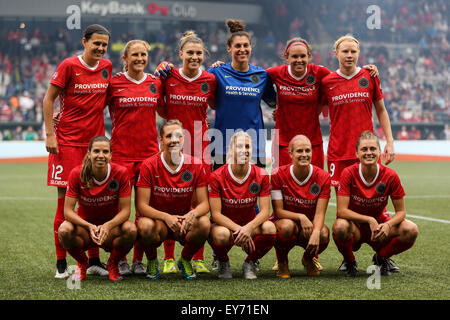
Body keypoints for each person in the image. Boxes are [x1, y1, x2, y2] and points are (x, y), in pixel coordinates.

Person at [320, 35, 396, 272]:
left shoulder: (369, 76)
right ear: (336, 54)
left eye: (353, 51)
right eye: (345, 51)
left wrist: (390, 141)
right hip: (338, 154)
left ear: (359, 53)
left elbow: (381, 110)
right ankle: (348, 258)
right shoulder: (327, 81)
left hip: (367, 153)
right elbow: (314, 108)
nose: (349, 55)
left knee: (374, 203)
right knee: (345, 211)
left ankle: (382, 256)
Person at [43, 24, 112, 278]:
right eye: (96, 43)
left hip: (93, 146)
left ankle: (93, 259)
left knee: (91, 205)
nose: (101, 48)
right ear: (84, 41)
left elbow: (104, 101)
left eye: (104, 44)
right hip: (67, 144)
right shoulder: (68, 65)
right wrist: (51, 133)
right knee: (64, 206)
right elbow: (48, 98)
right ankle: (61, 264)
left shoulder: (106, 68)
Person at [267, 37, 379, 170]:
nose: (299, 60)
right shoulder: (276, 73)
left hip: (312, 141)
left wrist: (364, 70)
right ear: (286, 57)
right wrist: (273, 104)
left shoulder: (320, 73)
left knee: (315, 186)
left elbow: (342, 80)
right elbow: (257, 82)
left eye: (303, 56)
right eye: (294, 56)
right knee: (279, 186)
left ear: (309, 56)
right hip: (283, 142)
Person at [156, 31, 216, 275]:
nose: (194, 57)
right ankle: (169, 258)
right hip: (173, 143)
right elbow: (160, 108)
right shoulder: (167, 76)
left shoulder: (211, 79)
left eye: (198, 53)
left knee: (200, 202)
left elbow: (217, 104)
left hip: (200, 145)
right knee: (171, 198)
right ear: (180, 54)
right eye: (190, 53)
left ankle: (196, 257)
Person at [106, 40, 163, 276]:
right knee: (119, 211)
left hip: (149, 155)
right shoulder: (114, 83)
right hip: (120, 154)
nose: (140, 58)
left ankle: (139, 260)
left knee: (144, 211)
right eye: (135, 55)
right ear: (125, 58)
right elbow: (92, 105)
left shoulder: (156, 83)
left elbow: (167, 111)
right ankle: (119, 259)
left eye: (143, 54)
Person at [332, 131, 418, 277]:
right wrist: (369, 219)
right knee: (340, 227)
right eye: (364, 149)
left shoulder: (390, 175)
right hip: (356, 227)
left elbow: (401, 212)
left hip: (380, 227)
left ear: (379, 151)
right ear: (357, 153)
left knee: (411, 229)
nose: (369, 153)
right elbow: (342, 211)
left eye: (372, 149)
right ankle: (350, 261)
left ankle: (381, 258)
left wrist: (388, 225)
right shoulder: (348, 173)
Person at [135, 120, 210, 280]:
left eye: (178, 136)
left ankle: (185, 260)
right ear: (160, 140)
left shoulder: (196, 164)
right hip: (158, 222)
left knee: (204, 223)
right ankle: (152, 261)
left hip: (183, 223)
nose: (174, 140)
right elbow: (141, 206)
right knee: (145, 226)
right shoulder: (148, 165)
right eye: (169, 136)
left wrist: (193, 214)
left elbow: (204, 204)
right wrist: (166, 217)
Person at [58, 136, 137, 281]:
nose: (101, 155)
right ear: (89, 153)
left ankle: (112, 263)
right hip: (85, 230)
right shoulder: (77, 173)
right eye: (96, 151)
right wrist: (89, 226)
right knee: (64, 230)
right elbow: (67, 211)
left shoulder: (121, 173)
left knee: (131, 230)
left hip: (111, 230)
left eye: (105, 151)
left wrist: (108, 226)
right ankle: (82, 263)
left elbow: (126, 211)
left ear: (111, 155)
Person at [207, 19, 277, 170]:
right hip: (222, 146)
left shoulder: (262, 75)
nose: (242, 49)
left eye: (246, 45)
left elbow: (275, 102)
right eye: (237, 46)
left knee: (255, 192)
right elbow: (195, 91)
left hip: (254, 147)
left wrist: (280, 111)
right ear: (228, 48)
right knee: (221, 193)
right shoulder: (216, 72)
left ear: (251, 47)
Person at [208, 131, 276, 279]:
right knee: (220, 235)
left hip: (249, 224)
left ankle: (250, 262)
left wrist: (249, 227)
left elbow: (265, 211)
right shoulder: (216, 176)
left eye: (247, 146)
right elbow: (216, 214)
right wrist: (240, 230)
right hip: (226, 227)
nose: (244, 150)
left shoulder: (262, 175)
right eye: (239, 146)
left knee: (270, 228)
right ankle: (223, 262)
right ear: (230, 150)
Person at [271, 135, 331, 278]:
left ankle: (308, 259)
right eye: (299, 151)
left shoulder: (324, 177)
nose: (304, 155)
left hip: (309, 226)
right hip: (286, 223)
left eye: (307, 151)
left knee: (323, 233)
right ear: (290, 154)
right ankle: (282, 262)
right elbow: (278, 211)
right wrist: (300, 216)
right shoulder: (277, 175)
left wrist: (315, 231)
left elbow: (320, 213)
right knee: (286, 226)